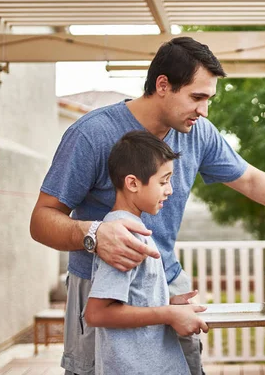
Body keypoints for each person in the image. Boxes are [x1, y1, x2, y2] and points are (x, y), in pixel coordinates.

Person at [30, 36, 265, 375]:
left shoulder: (198, 132)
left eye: (209, 99)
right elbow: (41, 220)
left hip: (165, 280)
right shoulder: (91, 134)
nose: (204, 110)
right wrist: (94, 233)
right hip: (101, 290)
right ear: (163, 85)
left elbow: (250, 179)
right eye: (197, 97)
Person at [84, 130, 208, 375]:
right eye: (163, 181)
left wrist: (168, 302)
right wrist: (168, 313)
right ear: (132, 183)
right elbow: (97, 313)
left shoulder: (134, 229)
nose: (170, 190)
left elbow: (131, 300)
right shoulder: (125, 237)